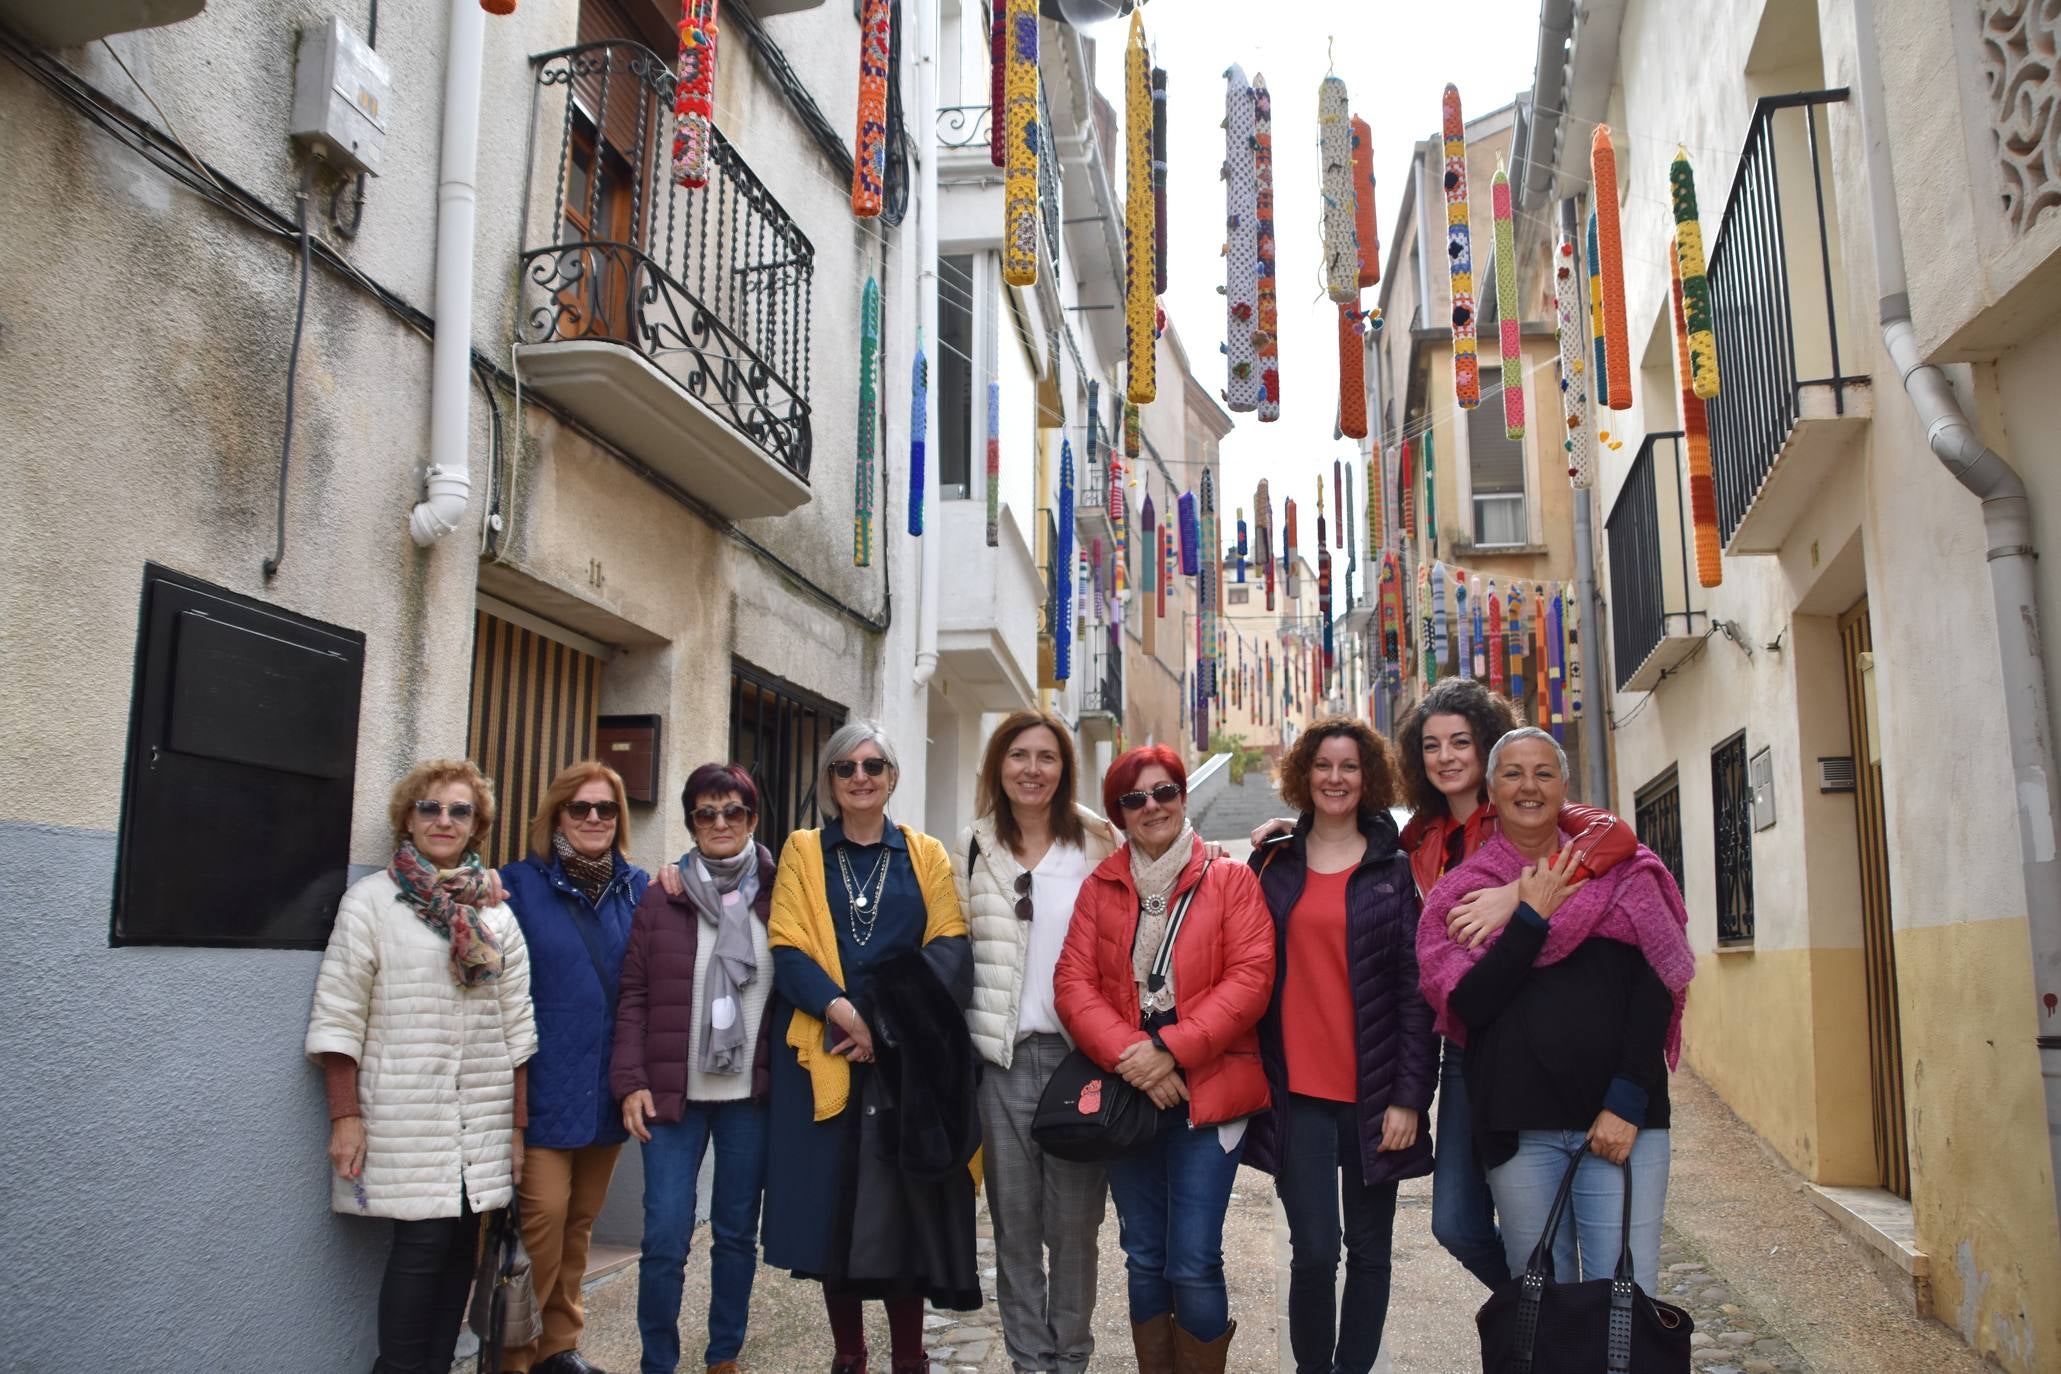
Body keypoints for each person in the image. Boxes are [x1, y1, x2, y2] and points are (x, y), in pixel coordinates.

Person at [1253, 678, 1634, 1289]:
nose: (1447, 757)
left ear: (1488, 747)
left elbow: (1613, 836)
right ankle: (1532, 1316)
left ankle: (1551, 1327)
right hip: (1463, 1040)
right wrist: (1292, 824)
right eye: (1431, 746)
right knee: (1455, 1222)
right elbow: (1347, 832)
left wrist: (1519, 893)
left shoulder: (1524, 805)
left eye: (1461, 741)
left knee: (1548, 1221)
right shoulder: (1419, 838)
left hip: (1535, 1033)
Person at [1418, 728, 1695, 1292]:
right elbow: (1471, 1003)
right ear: (1491, 794)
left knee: (1626, 1299)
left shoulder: (1626, 875)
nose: (1529, 786)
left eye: (1544, 773)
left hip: (1621, 1123)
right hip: (1521, 1133)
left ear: (1564, 787)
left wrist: (1627, 1100)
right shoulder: (1462, 894)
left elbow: (1656, 986)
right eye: (1513, 773)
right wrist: (1531, 913)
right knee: (1544, 1306)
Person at [762, 722, 981, 1374]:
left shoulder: (926, 854)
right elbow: (787, 946)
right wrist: (843, 1015)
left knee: (905, 1215)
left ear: (891, 777)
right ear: (829, 781)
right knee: (838, 1215)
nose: (860, 777)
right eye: (846, 768)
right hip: (825, 1052)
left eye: (874, 766)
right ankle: (848, 1356)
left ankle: (909, 1360)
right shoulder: (803, 852)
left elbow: (948, 946)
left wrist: (880, 1025)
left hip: (905, 1060)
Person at [306, 759, 535, 1374]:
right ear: (407, 819)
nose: (444, 820)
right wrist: (344, 1115)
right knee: (421, 1245)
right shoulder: (372, 903)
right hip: (404, 1114)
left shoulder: (497, 914)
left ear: (477, 825)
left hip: (480, 1118)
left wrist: (515, 1130)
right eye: (430, 807)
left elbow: (517, 1032)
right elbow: (339, 1015)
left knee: (461, 1249)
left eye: (459, 810)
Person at [1053, 744, 1274, 1374]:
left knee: (1194, 1258)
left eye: (1165, 792)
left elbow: (1251, 980)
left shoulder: (1231, 879)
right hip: (1131, 1093)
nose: (1152, 807)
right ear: (1118, 812)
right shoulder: (1102, 885)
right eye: (1134, 797)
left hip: (1209, 1089)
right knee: (1144, 1254)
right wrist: (1136, 1059)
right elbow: (1073, 984)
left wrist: (1169, 1050)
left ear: (1183, 795)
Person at [1243, 719, 1436, 1374]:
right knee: (1315, 1252)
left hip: (1375, 1094)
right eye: (1322, 765)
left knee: (1371, 1250)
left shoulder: (1393, 868)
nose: (1334, 778)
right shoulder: (1271, 862)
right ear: (1304, 774)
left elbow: (1415, 994)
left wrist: (1410, 1097)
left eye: (1348, 766)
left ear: (1367, 777)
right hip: (1294, 1092)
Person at [953, 710, 1120, 1374]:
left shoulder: (1097, 845)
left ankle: (1070, 1360)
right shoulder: (971, 846)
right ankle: (1029, 1362)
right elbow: (951, 946)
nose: (1031, 769)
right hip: (1001, 1061)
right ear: (998, 765)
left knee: (1074, 1233)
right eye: (1017, 755)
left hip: (1080, 1065)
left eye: (1045, 757)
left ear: (1064, 768)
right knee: (1015, 1232)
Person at [613, 764, 777, 1374]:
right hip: (671, 1097)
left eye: (732, 811)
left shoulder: (777, 890)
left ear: (752, 820)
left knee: (736, 1236)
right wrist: (630, 1080)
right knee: (663, 1238)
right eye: (705, 813)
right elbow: (633, 994)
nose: (719, 823)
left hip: (749, 1099)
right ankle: (658, 1359)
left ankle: (723, 1355)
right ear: (690, 823)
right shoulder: (663, 894)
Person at [499, 762, 652, 1374]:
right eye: (580, 808)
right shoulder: (518, 884)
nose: (594, 819)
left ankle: (559, 1347)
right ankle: (514, 1352)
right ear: (556, 815)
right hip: (541, 1088)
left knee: (580, 1224)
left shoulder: (639, 888)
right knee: (541, 1223)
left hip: (605, 1090)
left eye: (606, 810)